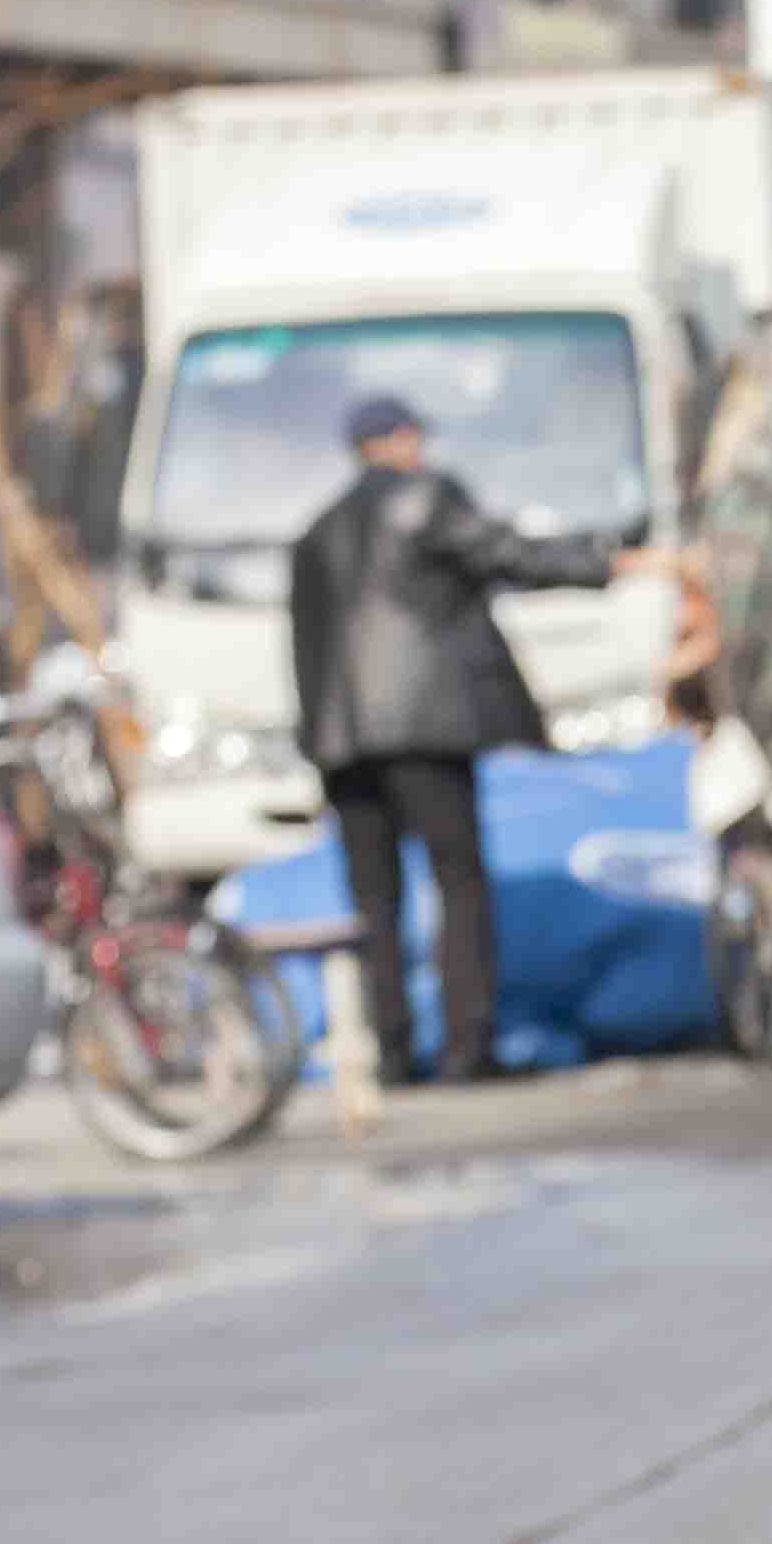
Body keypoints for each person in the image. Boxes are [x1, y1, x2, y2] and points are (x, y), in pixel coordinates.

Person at [287, 392, 665, 1087]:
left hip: (343, 742)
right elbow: (506, 552)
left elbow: (305, 649)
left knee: (374, 901)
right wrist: (609, 562)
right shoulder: (426, 500)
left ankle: (392, 1055)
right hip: (425, 729)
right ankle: (468, 1048)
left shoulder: (316, 530)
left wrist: (319, 741)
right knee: (458, 881)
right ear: (400, 440)